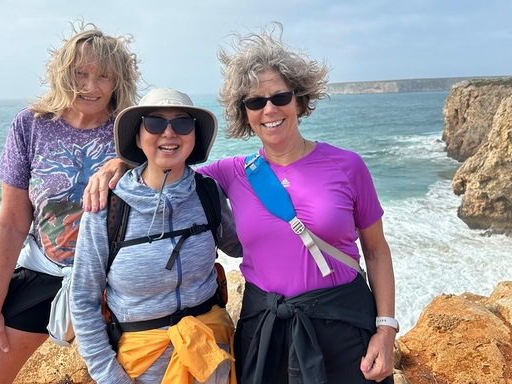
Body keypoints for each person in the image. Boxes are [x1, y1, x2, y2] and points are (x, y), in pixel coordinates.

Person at [85, 23, 396, 383]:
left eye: (280, 97)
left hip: (342, 323)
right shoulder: (230, 173)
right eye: (255, 102)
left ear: (299, 100)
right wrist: (118, 164)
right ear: (244, 112)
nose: (269, 109)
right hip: (264, 327)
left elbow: (376, 251)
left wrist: (386, 329)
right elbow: (168, 161)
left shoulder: (347, 165)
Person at [0, 21, 141, 384]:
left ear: (118, 81)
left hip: (113, 281)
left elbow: (171, 164)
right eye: (80, 73)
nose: (90, 85)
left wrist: (124, 161)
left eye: (103, 76)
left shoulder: (130, 129)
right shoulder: (31, 125)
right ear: (62, 74)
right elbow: (10, 222)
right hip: (46, 270)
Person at [70, 88, 242, 384]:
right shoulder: (106, 207)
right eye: (155, 123)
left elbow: (242, 247)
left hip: (213, 358)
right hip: (139, 370)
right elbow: (84, 299)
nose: (169, 133)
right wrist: (110, 377)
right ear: (138, 137)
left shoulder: (208, 193)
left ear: (194, 137)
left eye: (183, 124)